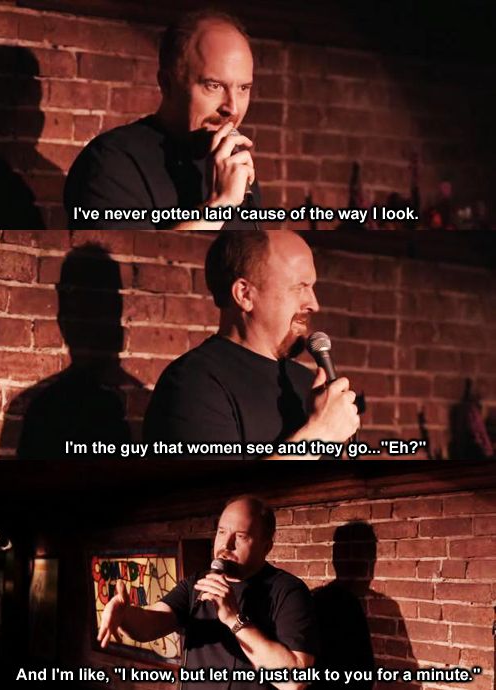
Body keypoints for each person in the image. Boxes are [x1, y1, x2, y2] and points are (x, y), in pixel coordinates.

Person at [144, 230, 360, 460]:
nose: (314, 304)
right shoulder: (192, 385)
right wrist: (319, 435)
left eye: (312, 287)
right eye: (300, 287)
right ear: (244, 294)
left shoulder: (308, 384)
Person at [64, 10, 259, 230]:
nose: (232, 108)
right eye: (214, 86)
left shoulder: (235, 165)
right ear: (167, 84)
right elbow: (130, 252)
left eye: (243, 88)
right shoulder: (111, 162)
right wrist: (221, 204)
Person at [97, 496, 318, 690]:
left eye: (241, 536)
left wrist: (234, 619)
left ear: (266, 547)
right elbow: (150, 624)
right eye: (221, 532)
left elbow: (295, 681)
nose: (226, 544)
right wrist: (125, 615)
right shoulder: (197, 583)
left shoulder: (289, 592)